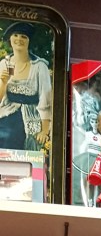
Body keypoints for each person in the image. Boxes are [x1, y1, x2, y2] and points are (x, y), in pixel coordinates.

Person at [0, 21, 52, 150]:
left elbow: (45, 100)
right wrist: (4, 83)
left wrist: (44, 131)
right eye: (15, 35)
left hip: (31, 118)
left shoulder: (39, 66)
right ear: (10, 39)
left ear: (29, 41)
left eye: (24, 37)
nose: (19, 39)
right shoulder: (4, 64)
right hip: (6, 114)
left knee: (13, 136)